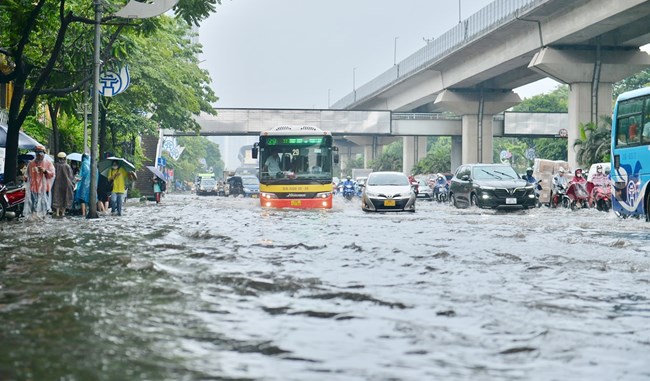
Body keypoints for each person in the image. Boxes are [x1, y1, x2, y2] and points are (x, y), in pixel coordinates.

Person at [25, 145, 55, 218]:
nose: (39, 156)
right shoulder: (31, 164)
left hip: (45, 189)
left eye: (41, 154)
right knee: (34, 205)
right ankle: (34, 220)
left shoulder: (48, 163)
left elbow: (52, 174)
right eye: (37, 154)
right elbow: (27, 174)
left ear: (44, 154)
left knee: (44, 205)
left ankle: (44, 218)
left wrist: (45, 171)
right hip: (34, 188)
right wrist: (25, 178)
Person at [51, 152, 75, 217]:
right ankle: (63, 212)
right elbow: (71, 176)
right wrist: (73, 183)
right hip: (66, 184)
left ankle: (57, 212)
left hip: (57, 184)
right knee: (65, 197)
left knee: (57, 197)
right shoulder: (67, 166)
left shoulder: (55, 165)